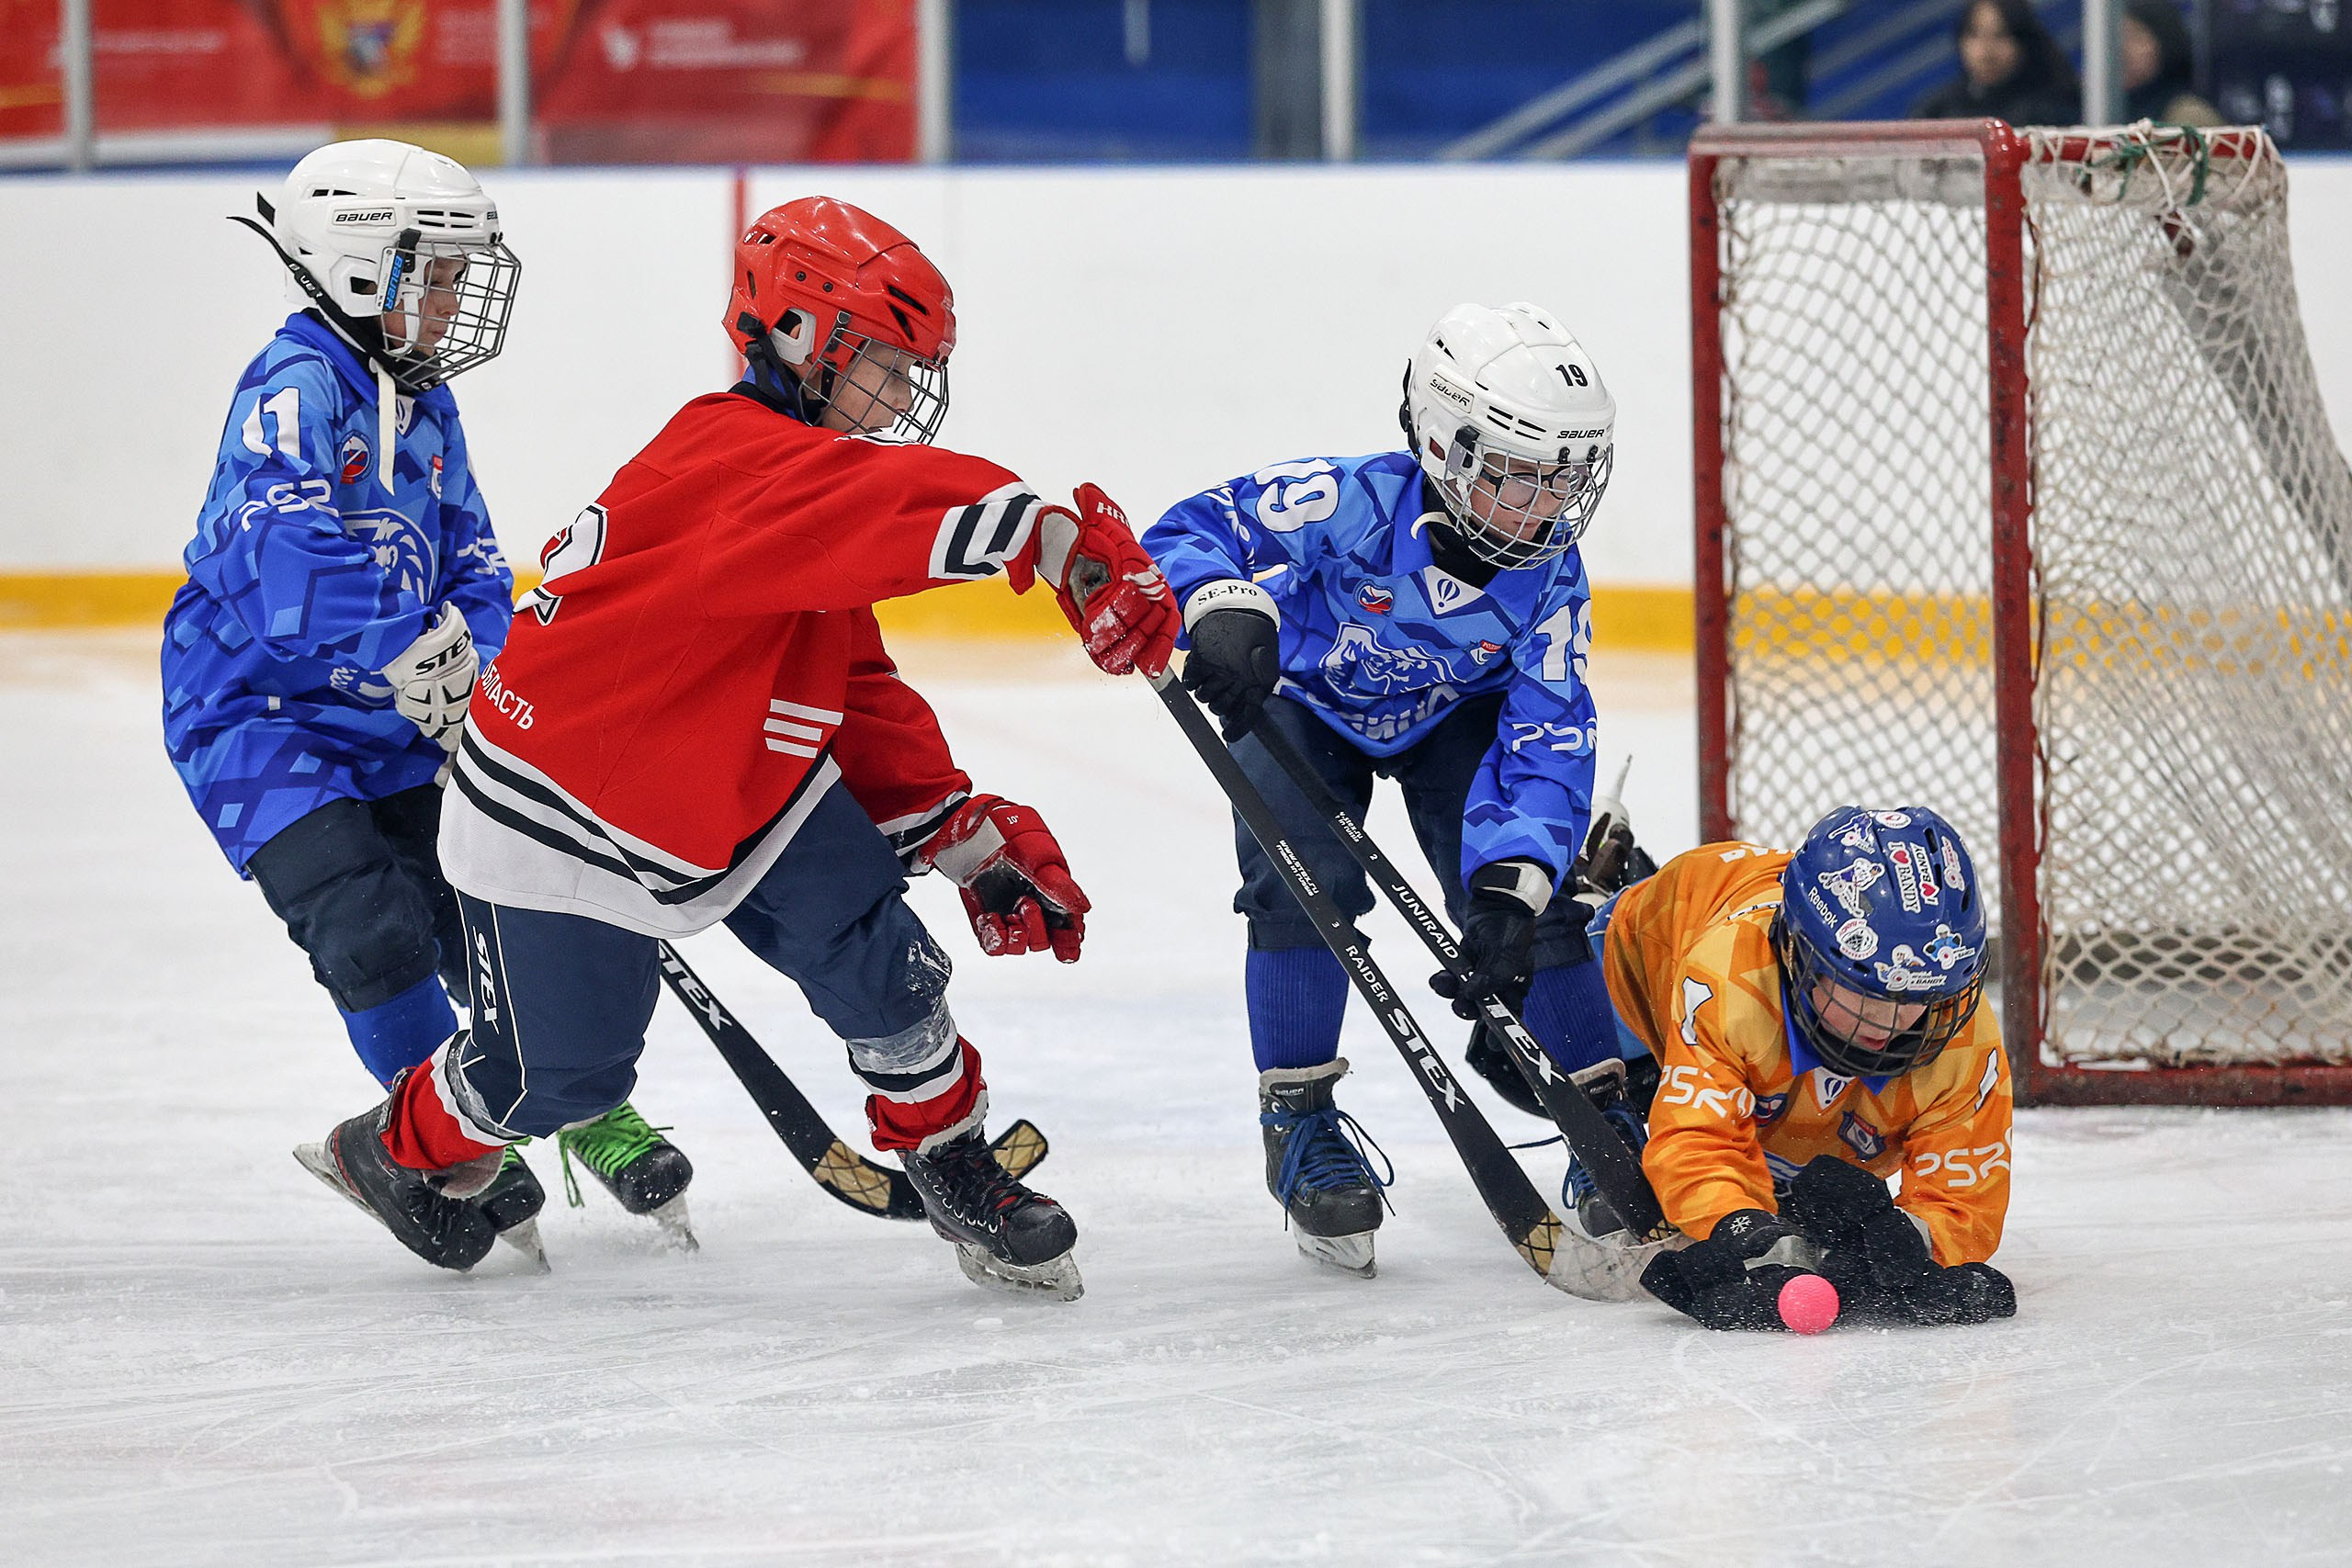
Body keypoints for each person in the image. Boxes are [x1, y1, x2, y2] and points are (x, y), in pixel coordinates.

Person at [297, 195, 1177, 1300]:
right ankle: (394, 1146)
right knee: (557, 1079)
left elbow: (845, 677)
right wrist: (1042, 531)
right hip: (560, 810)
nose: (905, 397)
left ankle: (951, 1155)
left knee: (876, 952)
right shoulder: (729, 461)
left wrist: (947, 825)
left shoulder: (794, 495)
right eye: (887, 366)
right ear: (804, 338)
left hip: (731, 783)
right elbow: (880, 503)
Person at [162, 141, 688, 1259]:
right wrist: (415, 649)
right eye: (434, 273)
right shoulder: (294, 387)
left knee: (482, 914)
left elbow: (475, 562)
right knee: (372, 930)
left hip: (398, 715)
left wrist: (480, 677)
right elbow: (276, 563)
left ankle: (576, 1105)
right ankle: (440, 1139)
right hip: (257, 721)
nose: (453, 301)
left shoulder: (425, 400)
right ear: (358, 266)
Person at [1143, 301, 1623, 1278]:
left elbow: (1549, 736)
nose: (1548, 505)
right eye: (1523, 474)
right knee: (1299, 884)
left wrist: (1512, 888)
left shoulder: (1551, 580)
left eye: (1563, 478)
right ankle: (1299, 1120)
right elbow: (1192, 528)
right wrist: (1222, 607)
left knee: (1540, 908)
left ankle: (1601, 1114)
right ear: (1446, 445)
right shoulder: (1350, 500)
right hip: (1306, 707)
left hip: (1455, 721)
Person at [1554, 807, 2017, 1332]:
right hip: (1648, 947)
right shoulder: (1730, 980)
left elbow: (1962, 1199)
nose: (1890, 1024)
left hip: (1774, 1041)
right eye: (1865, 991)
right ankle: (1610, 1101)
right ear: (1799, 953)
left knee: (1805, 1172)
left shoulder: (1961, 1032)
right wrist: (1738, 1224)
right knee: (1549, 1003)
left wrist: (1912, 1240)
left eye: (1918, 995)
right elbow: (1699, 1142)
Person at [1913, 0, 2080, 126]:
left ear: (2024, 42)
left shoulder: (2054, 108)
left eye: (2000, 35)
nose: (1986, 53)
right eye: (1974, 34)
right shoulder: (1937, 110)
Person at [2122, 0, 2222, 127]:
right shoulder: (2103, 110)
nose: (2124, 50)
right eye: (2119, 38)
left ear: (2166, 41)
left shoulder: (2188, 116)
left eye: (2135, 37)